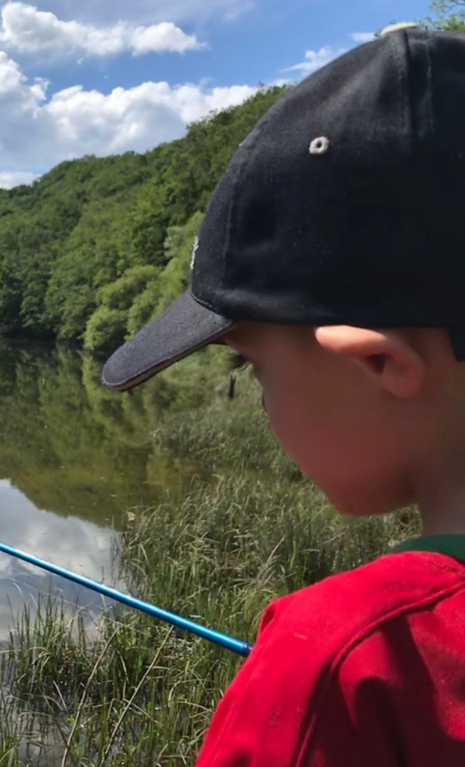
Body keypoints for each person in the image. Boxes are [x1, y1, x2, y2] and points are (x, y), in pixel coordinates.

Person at [100, 22, 465, 766]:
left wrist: (298, 684)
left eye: (258, 371)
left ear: (377, 362)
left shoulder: (346, 663)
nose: (263, 407)